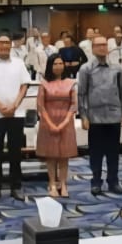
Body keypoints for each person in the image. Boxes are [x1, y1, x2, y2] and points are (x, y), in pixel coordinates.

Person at [0, 33, 31, 200]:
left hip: (16, 114)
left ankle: (16, 186)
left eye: (7, 43)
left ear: (11, 45)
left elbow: (24, 85)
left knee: (15, 152)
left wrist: (14, 105)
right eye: (1, 43)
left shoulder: (19, 63)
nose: (4, 46)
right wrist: (1, 106)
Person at [77, 36, 122, 196]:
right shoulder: (86, 69)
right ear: (92, 48)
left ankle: (113, 181)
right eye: (98, 45)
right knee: (96, 152)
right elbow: (81, 94)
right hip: (95, 117)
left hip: (114, 116)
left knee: (114, 152)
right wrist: (83, 116)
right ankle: (96, 182)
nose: (102, 48)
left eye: (104, 45)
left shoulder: (117, 68)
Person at [36, 54, 77, 198]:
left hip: (66, 121)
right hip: (48, 122)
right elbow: (40, 106)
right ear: (50, 66)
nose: (58, 66)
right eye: (55, 64)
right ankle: (52, 183)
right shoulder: (44, 83)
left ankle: (63, 183)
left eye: (60, 63)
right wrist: (50, 124)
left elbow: (73, 105)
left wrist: (64, 122)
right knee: (51, 155)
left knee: (64, 156)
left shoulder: (71, 82)